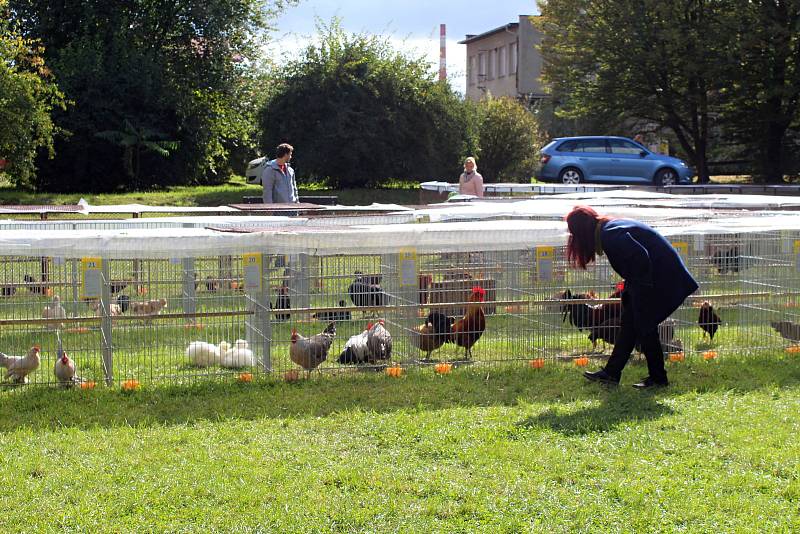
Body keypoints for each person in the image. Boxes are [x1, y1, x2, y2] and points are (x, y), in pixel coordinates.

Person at [564, 205, 698, 389]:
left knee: (644, 325)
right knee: (630, 323)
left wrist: (639, 290)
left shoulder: (610, 235)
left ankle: (658, 379)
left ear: (582, 232)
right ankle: (612, 373)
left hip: (665, 279)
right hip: (657, 277)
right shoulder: (609, 228)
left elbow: (640, 256)